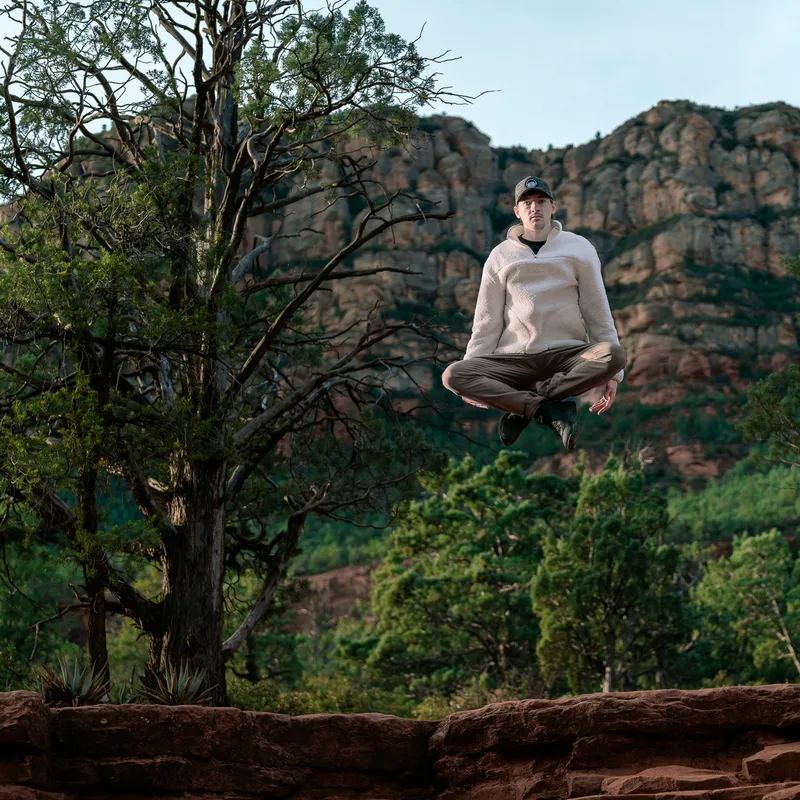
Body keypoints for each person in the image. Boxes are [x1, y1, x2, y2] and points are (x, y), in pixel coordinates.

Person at [442, 175, 626, 450]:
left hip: (566, 356)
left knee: (615, 355)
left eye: (541, 201)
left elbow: (597, 312)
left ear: (553, 206)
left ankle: (529, 405)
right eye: (526, 203)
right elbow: (486, 322)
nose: (534, 208)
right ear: (517, 212)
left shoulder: (579, 248)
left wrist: (613, 376)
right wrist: (473, 381)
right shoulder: (500, 256)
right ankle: (545, 410)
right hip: (515, 361)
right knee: (453, 376)